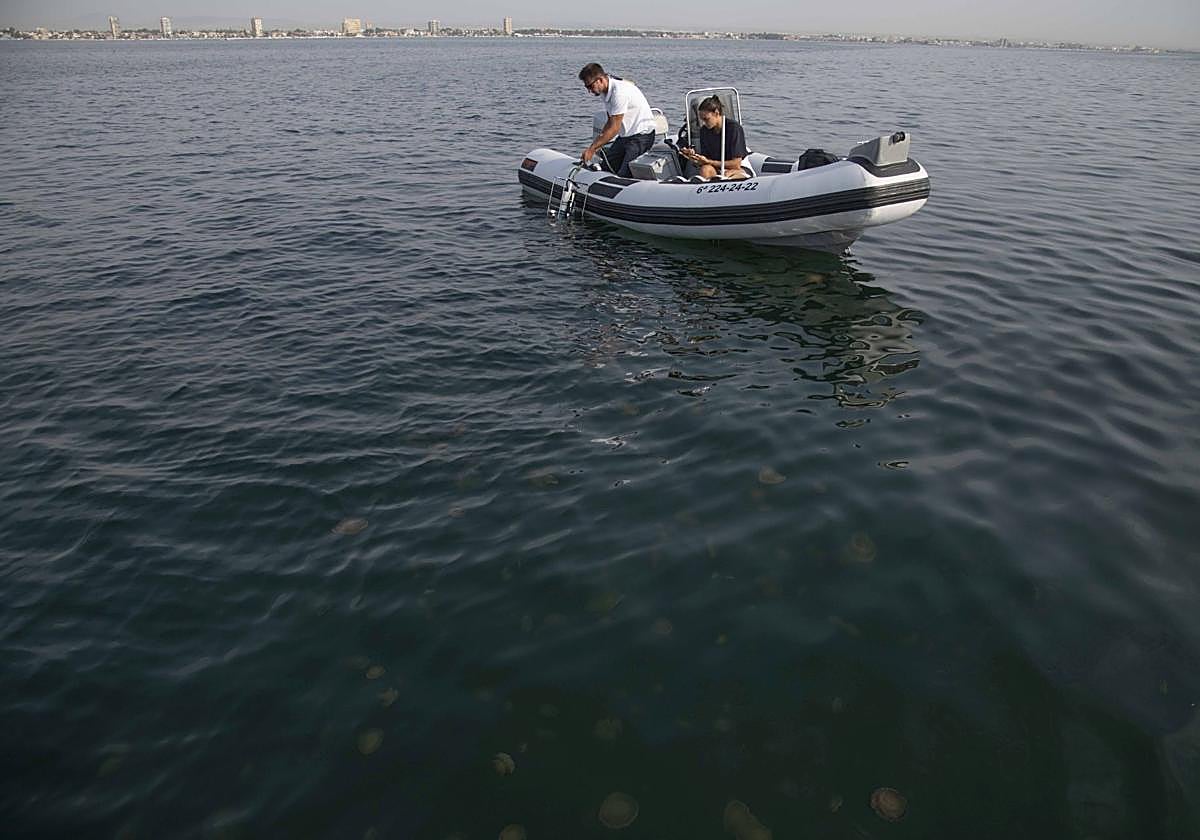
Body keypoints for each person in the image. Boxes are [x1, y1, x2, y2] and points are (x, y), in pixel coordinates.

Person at [578, 63, 658, 178]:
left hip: (641, 136)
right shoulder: (604, 93)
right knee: (607, 166)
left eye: (590, 86)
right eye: (587, 87)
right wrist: (595, 145)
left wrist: (592, 149)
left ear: (600, 80)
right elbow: (610, 121)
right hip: (625, 136)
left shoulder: (619, 93)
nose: (589, 91)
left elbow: (614, 128)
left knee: (624, 175)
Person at [678, 96, 750, 180]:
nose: (704, 123)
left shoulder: (734, 128)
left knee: (728, 174)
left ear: (716, 113)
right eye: (702, 120)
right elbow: (706, 158)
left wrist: (709, 162)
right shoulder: (704, 131)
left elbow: (736, 164)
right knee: (705, 170)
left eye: (706, 119)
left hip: (738, 168)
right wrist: (694, 157)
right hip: (718, 167)